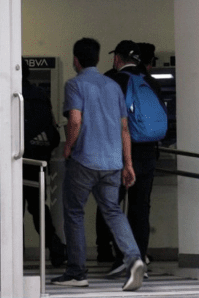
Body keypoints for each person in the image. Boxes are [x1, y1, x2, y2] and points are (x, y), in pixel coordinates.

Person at [51, 37, 145, 291]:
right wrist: (128, 163)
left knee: (74, 212)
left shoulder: (75, 84)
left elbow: (75, 120)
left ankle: (77, 272)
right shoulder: (113, 86)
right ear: (98, 58)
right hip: (112, 162)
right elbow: (124, 128)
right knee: (113, 210)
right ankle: (134, 258)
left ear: (76, 60)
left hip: (84, 160)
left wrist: (68, 147)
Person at [100, 40, 162, 277]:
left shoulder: (115, 81)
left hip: (121, 152)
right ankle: (139, 260)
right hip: (149, 152)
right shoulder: (151, 81)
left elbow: (110, 120)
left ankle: (124, 258)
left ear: (117, 58)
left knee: (112, 206)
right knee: (141, 208)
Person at [21, 60, 68, 267]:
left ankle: (14, 255)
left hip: (15, 159)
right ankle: (56, 250)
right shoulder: (40, 94)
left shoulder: (9, 94)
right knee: (39, 208)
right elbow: (51, 128)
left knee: (12, 211)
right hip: (37, 160)